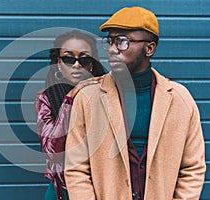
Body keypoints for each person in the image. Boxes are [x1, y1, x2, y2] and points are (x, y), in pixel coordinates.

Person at [64, 6, 206, 200]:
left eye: (123, 41)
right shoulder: (88, 98)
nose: (113, 49)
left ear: (149, 48)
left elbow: (193, 168)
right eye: (110, 41)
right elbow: (76, 168)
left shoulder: (180, 100)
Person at [34, 30, 105, 200]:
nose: (76, 65)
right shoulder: (46, 98)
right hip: (62, 191)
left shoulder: (107, 94)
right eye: (68, 58)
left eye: (84, 59)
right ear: (58, 63)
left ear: (92, 64)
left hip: (103, 187)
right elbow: (53, 150)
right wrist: (71, 98)